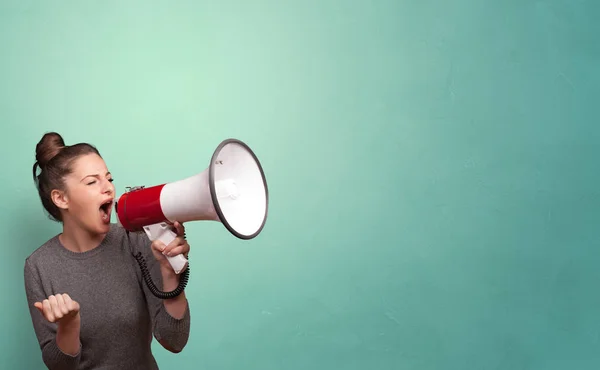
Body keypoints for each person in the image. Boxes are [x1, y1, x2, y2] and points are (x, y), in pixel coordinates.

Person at [24, 132, 191, 369]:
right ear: (61, 198)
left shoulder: (135, 240)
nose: (109, 189)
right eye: (92, 182)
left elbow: (174, 340)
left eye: (109, 179)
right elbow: (59, 366)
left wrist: (169, 273)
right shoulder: (39, 266)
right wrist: (69, 326)